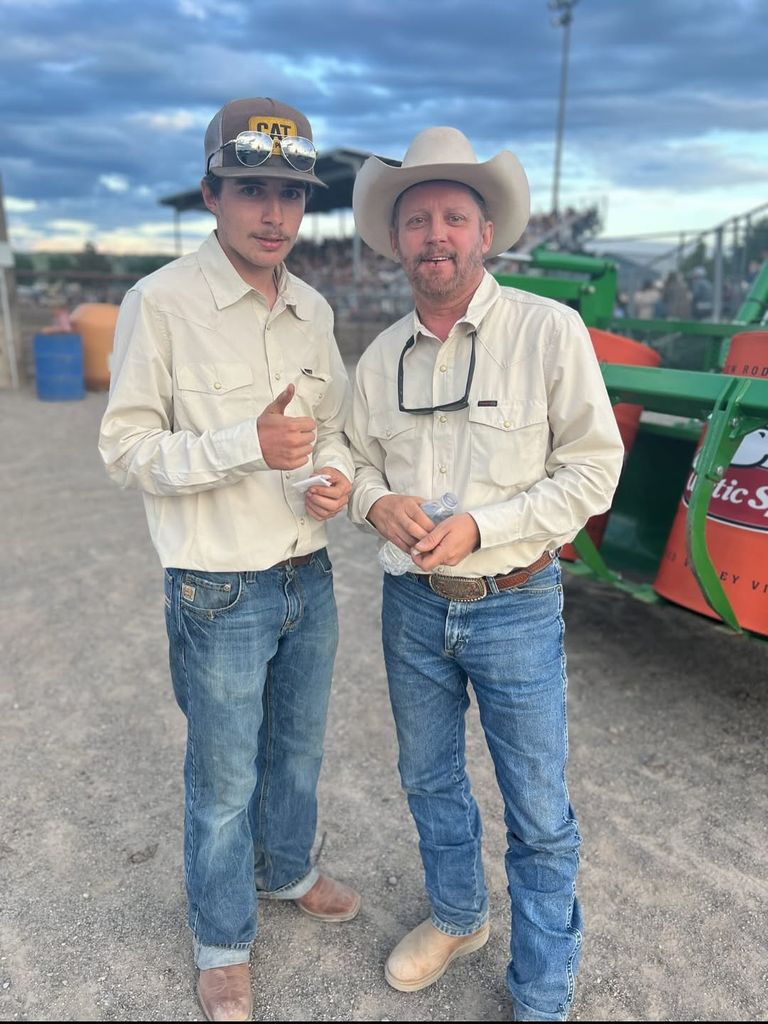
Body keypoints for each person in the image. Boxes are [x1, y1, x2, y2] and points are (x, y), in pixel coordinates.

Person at [346, 127, 624, 1022]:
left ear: (485, 232)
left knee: (537, 806)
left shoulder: (549, 332)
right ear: (397, 241)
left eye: (454, 217)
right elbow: (345, 459)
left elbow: (592, 468)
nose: (436, 235)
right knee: (429, 779)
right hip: (410, 604)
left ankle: (542, 984)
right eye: (418, 219)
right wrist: (372, 503)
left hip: (515, 601)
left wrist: (483, 526)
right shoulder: (380, 358)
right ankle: (460, 915)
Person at [99, 97, 360, 1022]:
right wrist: (241, 444)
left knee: (295, 752)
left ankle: (286, 871)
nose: (274, 213)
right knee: (221, 779)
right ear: (212, 192)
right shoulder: (160, 304)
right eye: (252, 189)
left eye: (291, 193)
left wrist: (329, 478)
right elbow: (125, 449)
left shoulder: (314, 309)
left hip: (308, 570)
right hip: (217, 583)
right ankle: (221, 940)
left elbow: (329, 434)